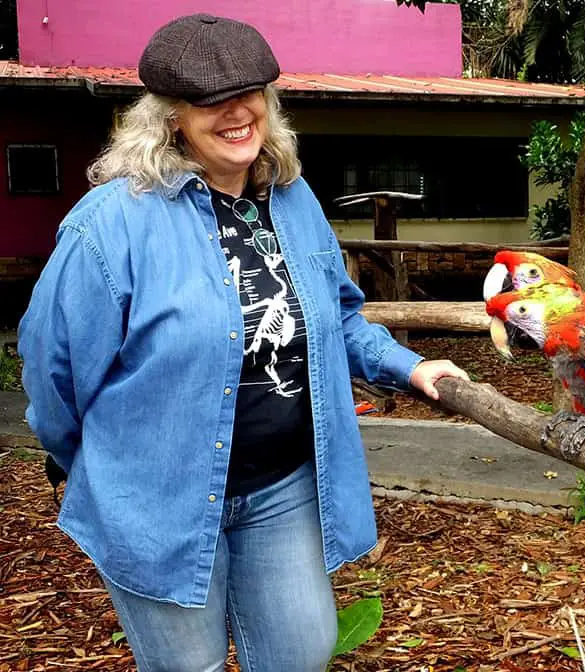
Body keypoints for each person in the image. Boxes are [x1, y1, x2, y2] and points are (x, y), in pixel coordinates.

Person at [18, 13, 468, 672]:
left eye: (249, 92)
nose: (236, 112)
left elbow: (337, 318)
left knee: (300, 652)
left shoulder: (292, 199)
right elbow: (53, 370)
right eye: (208, 99)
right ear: (172, 116)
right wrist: (82, 465)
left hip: (282, 489)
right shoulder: (110, 226)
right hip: (156, 500)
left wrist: (412, 366)